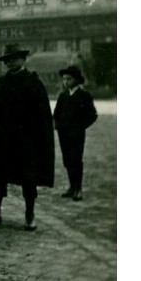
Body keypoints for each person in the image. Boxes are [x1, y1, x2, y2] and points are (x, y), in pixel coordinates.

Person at [0, 44, 55, 231]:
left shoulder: (33, 83)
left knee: (28, 177)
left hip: (27, 140)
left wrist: (40, 139)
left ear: (23, 60)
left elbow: (43, 116)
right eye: (7, 60)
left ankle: (29, 214)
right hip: (4, 139)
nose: (10, 63)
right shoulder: (3, 82)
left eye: (14, 59)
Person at [54, 65, 98, 201]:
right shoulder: (63, 96)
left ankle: (78, 189)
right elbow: (56, 114)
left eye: (69, 79)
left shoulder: (84, 96)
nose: (65, 82)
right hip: (63, 134)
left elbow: (93, 115)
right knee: (67, 160)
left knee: (76, 160)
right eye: (64, 79)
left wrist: (81, 126)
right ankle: (72, 186)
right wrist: (58, 125)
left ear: (77, 80)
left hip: (77, 135)